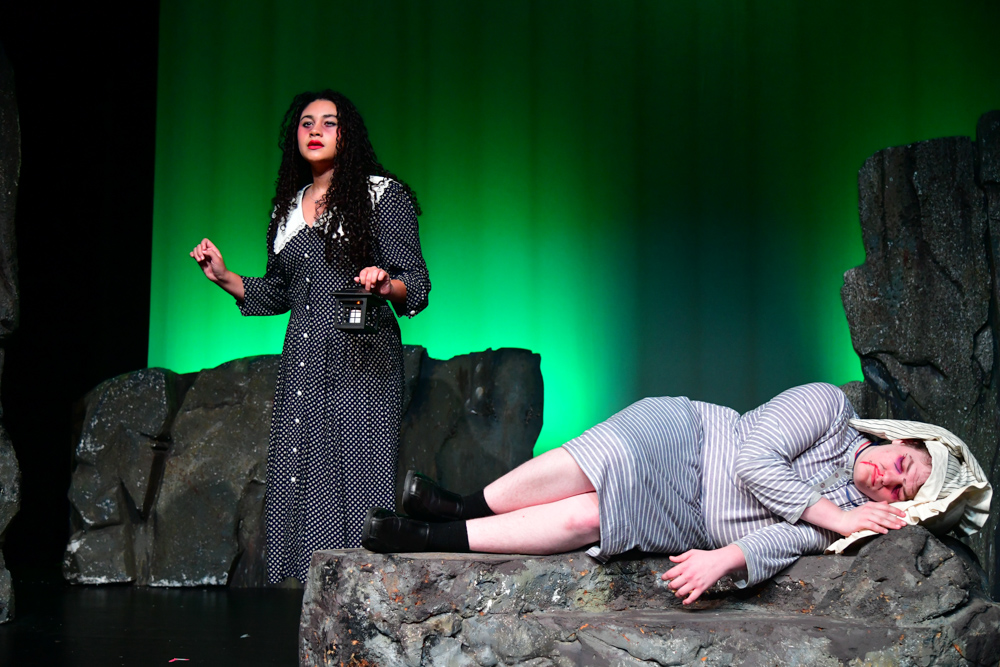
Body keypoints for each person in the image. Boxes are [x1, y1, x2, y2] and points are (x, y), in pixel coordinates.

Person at [361, 382, 956, 604]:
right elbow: (753, 460)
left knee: (585, 521)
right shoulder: (829, 408)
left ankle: (430, 534)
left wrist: (727, 558)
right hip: (688, 438)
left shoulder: (852, 516)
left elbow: (789, 540)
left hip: (687, 517)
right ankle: (462, 504)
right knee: (601, 460)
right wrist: (832, 516)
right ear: (900, 439)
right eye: (901, 463)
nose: (888, 477)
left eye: (900, 491)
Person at [190, 90, 430, 584]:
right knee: (302, 472)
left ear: (348, 134)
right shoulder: (287, 209)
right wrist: (224, 276)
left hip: (361, 356)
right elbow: (279, 291)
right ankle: (317, 594)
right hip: (303, 357)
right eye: (306, 122)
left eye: (329, 122)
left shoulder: (382, 195)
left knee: (359, 472)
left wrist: (386, 283)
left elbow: (417, 284)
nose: (315, 130)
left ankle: (365, 594)